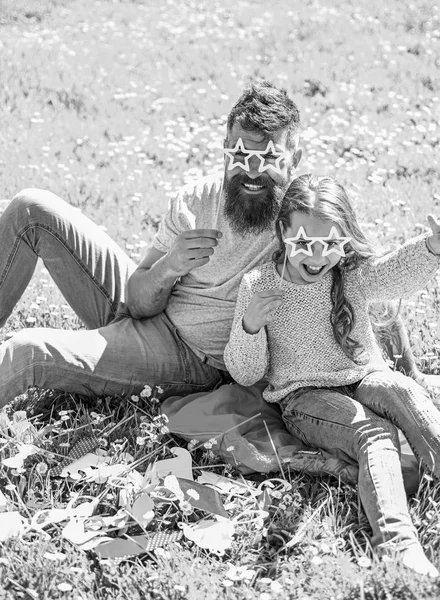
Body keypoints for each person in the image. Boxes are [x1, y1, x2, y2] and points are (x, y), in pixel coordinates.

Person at [224, 173, 440, 577]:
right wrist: (251, 325)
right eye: (304, 243)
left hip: (363, 378)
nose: (318, 256)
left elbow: (396, 272)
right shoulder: (259, 284)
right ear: (281, 230)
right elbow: (245, 370)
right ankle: (398, 546)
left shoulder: (350, 274)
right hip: (306, 399)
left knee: (399, 388)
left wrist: (433, 247)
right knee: (372, 432)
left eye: (331, 244)